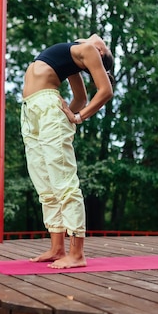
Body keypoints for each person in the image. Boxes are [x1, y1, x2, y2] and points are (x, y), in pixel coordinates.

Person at [20, 34, 114, 268]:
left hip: (48, 109)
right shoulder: (75, 55)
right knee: (45, 184)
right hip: (31, 110)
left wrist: (77, 117)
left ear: (101, 54)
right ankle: (57, 248)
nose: (98, 37)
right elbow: (80, 97)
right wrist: (68, 118)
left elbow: (106, 91)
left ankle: (77, 253)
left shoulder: (91, 51)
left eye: (103, 43)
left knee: (63, 182)